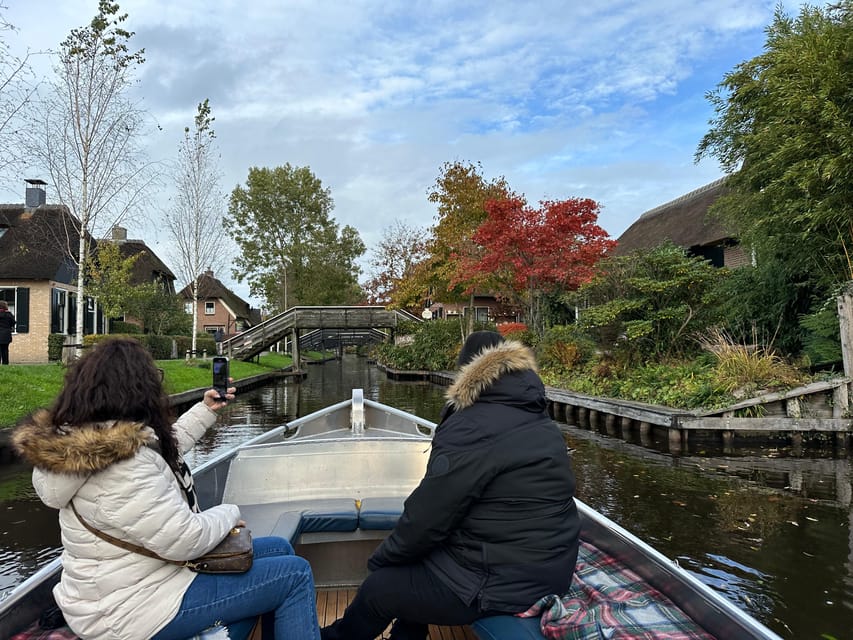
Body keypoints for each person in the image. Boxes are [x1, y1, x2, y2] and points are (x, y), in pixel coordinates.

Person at [12, 338, 321, 640]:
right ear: (137, 390)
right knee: (294, 575)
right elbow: (186, 540)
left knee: (278, 548)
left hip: (125, 587)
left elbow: (161, 449)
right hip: (132, 612)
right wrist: (229, 512)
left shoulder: (91, 445)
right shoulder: (127, 466)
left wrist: (206, 410)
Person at [321, 330, 581, 640]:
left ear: (468, 374)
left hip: (500, 583)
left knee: (379, 589)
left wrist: (381, 561)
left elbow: (428, 518)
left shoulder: (471, 426)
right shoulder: (539, 419)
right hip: (548, 571)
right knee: (415, 560)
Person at [0, 300, 15, 365]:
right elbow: (13, 323)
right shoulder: (9, 314)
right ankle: (5, 364)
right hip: (6, 335)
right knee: (5, 349)